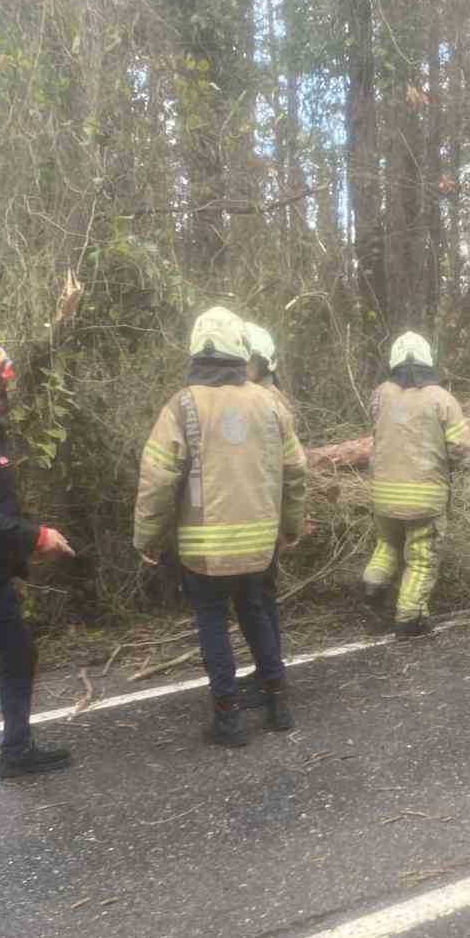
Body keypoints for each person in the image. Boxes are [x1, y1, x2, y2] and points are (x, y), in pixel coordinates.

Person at [133, 308, 307, 746]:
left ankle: (228, 718)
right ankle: (278, 703)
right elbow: (295, 471)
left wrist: (147, 538)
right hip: (258, 545)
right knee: (255, 614)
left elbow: (157, 478)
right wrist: (290, 526)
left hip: (203, 550)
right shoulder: (269, 403)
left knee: (212, 623)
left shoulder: (182, 405)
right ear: (239, 351)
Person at [0, 346, 75, 778]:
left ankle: (17, 750)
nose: (6, 390)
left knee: (18, 655)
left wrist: (32, 533)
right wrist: (36, 536)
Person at [362, 331, 470, 637]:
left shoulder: (381, 393)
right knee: (422, 558)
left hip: (383, 494)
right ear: (427, 360)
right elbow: (461, 446)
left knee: (388, 544)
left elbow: (376, 429)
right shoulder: (442, 398)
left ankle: (373, 584)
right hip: (425, 495)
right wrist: (448, 464)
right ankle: (410, 619)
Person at [240, 321, 305, 717]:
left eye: (249, 359)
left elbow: (289, 468)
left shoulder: (268, 400)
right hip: (261, 512)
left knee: (257, 599)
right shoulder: (262, 396)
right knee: (259, 598)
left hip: (262, 514)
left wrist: (289, 522)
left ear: (265, 363)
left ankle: (271, 677)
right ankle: (269, 668)